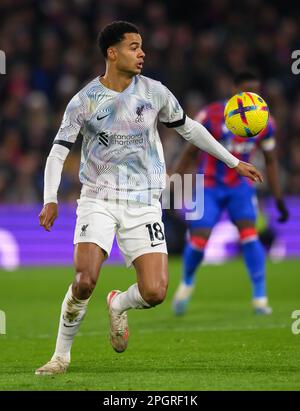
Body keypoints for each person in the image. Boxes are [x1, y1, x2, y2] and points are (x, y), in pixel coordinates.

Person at [35, 22, 262, 375]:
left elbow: (189, 128)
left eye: (142, 47)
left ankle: (118, 304)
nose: (142, 53)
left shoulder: (155, 92)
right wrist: (50, 199)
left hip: (143, 204)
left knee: (155, 292)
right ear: (112, 53)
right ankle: (60, 356)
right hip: (99, 198)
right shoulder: (84, 101)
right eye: (134, 47)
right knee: (84, 280)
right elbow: (57, 152)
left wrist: (235, 161)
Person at [172, 70, 289, 316]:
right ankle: (187, 282)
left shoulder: (265, 122)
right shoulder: (211, 115)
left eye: (256, 91)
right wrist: (174, 187)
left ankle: (260, 297)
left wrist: (278, 198)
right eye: (246, 90)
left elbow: (270, 161)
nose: (251, 96)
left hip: (240, 187)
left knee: (249, 234)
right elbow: (189, 153)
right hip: (209, 186)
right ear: (234, 90)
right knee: (199, 238)